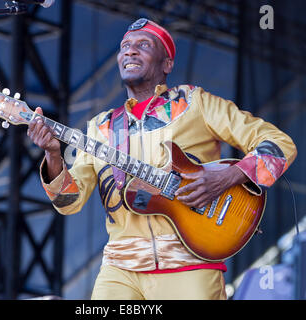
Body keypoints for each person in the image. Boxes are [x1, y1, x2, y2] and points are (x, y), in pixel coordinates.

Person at [27, 18, 297, 300]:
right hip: (119, 269)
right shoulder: (100, 128)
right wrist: (53, 156)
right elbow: (70, 202)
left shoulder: (196, 103)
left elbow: (279, 144)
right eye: (124, 47)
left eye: (143, 45)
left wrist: (227, 177)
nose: (129, 51)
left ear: (167, 64)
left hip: (191, 262)